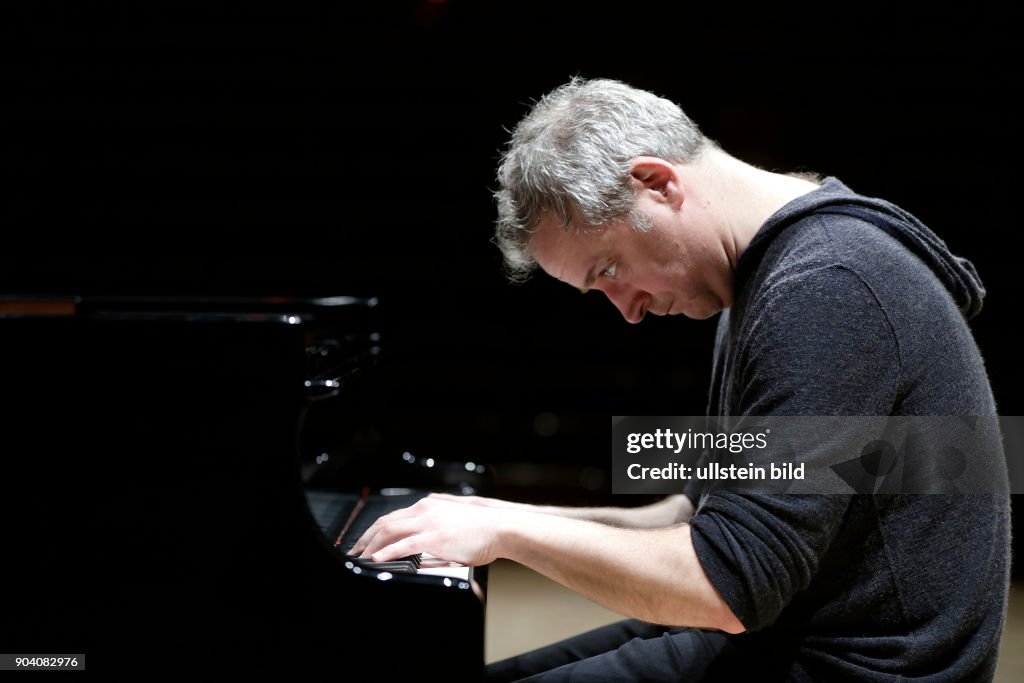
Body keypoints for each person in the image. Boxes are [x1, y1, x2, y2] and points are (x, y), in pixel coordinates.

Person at [351, 77, 1011, 681]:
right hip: (788, 627)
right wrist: (498, 517)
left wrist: (507, 531)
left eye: (607, 269)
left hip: (864, 667)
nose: (628, 311)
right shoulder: (766, 280)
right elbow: (696, 516)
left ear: (656, 182)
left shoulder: (827, 284)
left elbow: (727, 585)